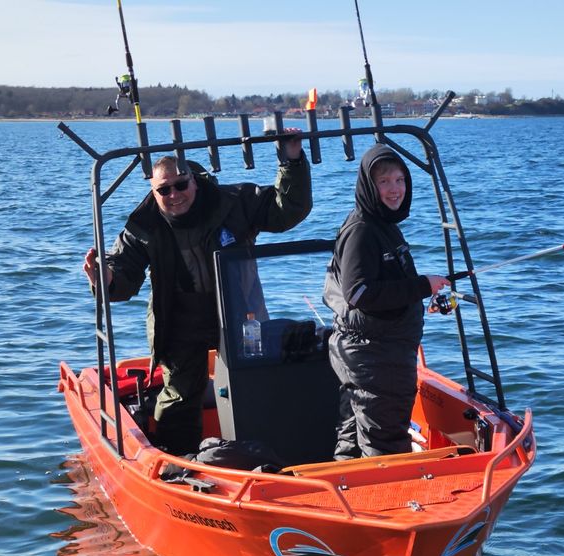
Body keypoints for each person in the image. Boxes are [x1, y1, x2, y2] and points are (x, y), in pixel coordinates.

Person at [83, 133, 312, 455]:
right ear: (153, 191)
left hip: (241, 311)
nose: (174, 194)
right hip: (179, 318)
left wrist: (292, 162)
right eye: (164, 189)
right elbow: (123, 274)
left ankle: (267, 452)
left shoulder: (235, 201)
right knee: (178, 395)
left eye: (181, 185)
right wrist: (104, 278)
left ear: (195, 180)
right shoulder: (143, 225)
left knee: (256, 382)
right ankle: (179, 460)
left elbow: (288, 211)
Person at [323, 144, 448, 459]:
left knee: (352, 439)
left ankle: (349, 498)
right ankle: (387, 507)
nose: (395, 190)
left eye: (399, 180)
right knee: (385, 442)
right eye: (384, 182)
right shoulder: (362, 230)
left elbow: (388, 285)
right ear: (369, 185)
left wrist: (422, 296)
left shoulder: (385, 225)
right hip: (373, 356)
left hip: (379, 350)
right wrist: (421, 286)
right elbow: (359, 293)